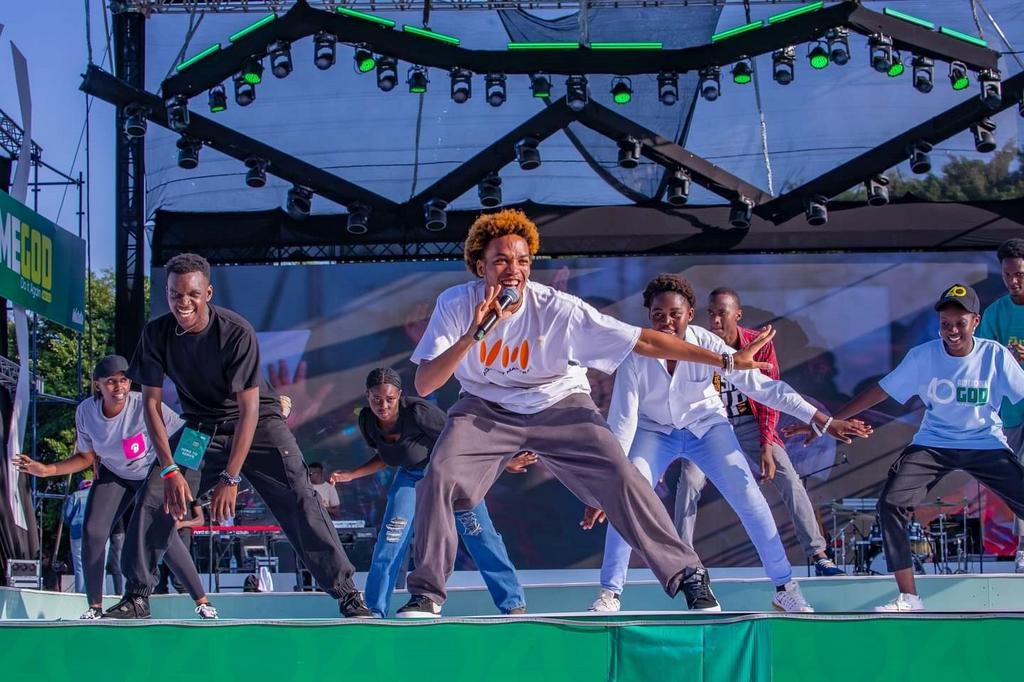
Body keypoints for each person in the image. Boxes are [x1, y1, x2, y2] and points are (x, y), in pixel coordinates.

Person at [393, 209, 779, 618]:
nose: (514, 270)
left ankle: (688, 576)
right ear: (480, 266)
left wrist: (728, 361)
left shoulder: (559, 309)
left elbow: (645, 342)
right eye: (502, 261)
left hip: (559, 404)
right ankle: (426, 595)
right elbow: (425, 384)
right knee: (440, 476)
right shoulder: (456, 304)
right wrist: (476, 332)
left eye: (523, 261)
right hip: (485, 408)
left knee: (623, 477)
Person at [103, 253, 371, 619]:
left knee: (299, 495)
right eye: (175, 295)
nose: (183, 303)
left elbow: (248, 411)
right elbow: (150, 406)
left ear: (208, 292)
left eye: (192, 294)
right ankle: (136, 597)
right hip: (200, 429)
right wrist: (169, 470)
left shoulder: (235, 332)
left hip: (258, 424)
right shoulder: (156, 334)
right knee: (154, 496)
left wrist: (231, 477)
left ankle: (347, 593)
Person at [583, 275, 869, 613]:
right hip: (653, 431)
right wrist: (607, 483)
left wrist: (821, 420)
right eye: (658, 315)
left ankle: (784, 587)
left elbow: (765, 389)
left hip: (707, 427)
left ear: (690, 314)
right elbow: (623, 421)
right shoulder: (636, 352)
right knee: (625, 497)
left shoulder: (709, 344)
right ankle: (610, 593)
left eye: (675, 314)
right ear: (649, 316)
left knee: (750, 498)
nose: (667, 322)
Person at [788, 284, 1024, 611]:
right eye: (945, 323)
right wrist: (826, 423)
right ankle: (909, 597)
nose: (952, 331)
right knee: (891, 504)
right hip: (934, 443)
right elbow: (881, 391)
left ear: (975, 321)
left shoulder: (994, 355)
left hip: (984, 442)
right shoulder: (924, 356)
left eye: (959, 323)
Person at [15, 355, 216, 619]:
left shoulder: (144, 404)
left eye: (123, 380)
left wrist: (189, 483)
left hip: (150, 475)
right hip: (115, 474)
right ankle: (95, 607)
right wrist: (46, 469)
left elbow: (187, 436)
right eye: (110, 382)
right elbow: (86, 457)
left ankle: (202, 601)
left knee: (161, 537)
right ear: (97, 384)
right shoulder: (86, 412)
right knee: (93, 532)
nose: (118, 387)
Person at [331, 368, 531, 617]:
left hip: (450, 475)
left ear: (400, 395)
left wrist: (504, 460)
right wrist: (352, 474)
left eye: (390, 399)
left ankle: (512, 604)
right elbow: (388, 455)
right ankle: (374, 610)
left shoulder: (418, 412)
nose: (383, 405)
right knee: (390, 540)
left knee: (480, 536)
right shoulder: (367, 421)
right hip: (410, 478)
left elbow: (460, 440)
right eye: (376, 399)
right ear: (367, 396)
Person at [673, 287, 844, 577]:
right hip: (710, 424)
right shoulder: (700, 343)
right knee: (689, 480)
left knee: (788, 477)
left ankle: (818, 554)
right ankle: (682, 562)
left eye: (721, 313)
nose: (715, 320)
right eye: (711, 313)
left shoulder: (757, 343)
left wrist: (766, 444)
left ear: (737, 315)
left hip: (749, 422)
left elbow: (769, 394)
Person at [977, 238, 1024, 572]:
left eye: (1019, 273)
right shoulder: (996, 312)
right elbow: (984, 363)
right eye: (1008, 274)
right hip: (1012, 414)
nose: (1013, 281)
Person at [154, 499, 204, 595]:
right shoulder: (160, 490)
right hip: (161, 533)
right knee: (159, 581)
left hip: (181, 535)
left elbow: (200, 520)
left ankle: (190, 603)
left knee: (179, 581)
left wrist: (182, 524)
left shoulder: (191, 493)